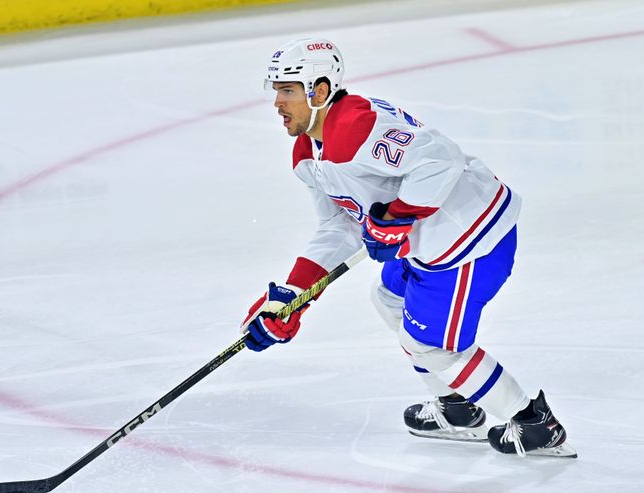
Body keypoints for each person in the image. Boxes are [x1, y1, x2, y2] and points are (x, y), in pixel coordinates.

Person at [240, 37, 576, 458]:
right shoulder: (309, 154)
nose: (277, 102)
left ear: (319, 91)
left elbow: (441, 160)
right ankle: (457, 407)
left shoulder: (355, 126)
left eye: (287, 90)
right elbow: (339, 225)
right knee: (387, 298)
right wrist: (292, 295)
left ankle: (533, 423)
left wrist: (397, 214)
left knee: (431, 345)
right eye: (275, 91)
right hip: (431, 245)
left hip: (468, 239)